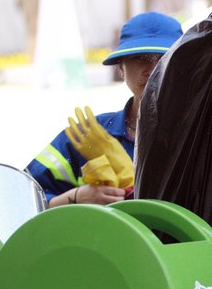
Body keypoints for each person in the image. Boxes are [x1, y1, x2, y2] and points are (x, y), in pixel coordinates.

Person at [26, 11, 183, 207]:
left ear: (183, 66)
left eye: (164, 57)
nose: (152, 69)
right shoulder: (88, 135)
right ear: (120, 68)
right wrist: (75, 197)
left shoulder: (198, 134)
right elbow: (23, 195)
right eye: (140, 58)